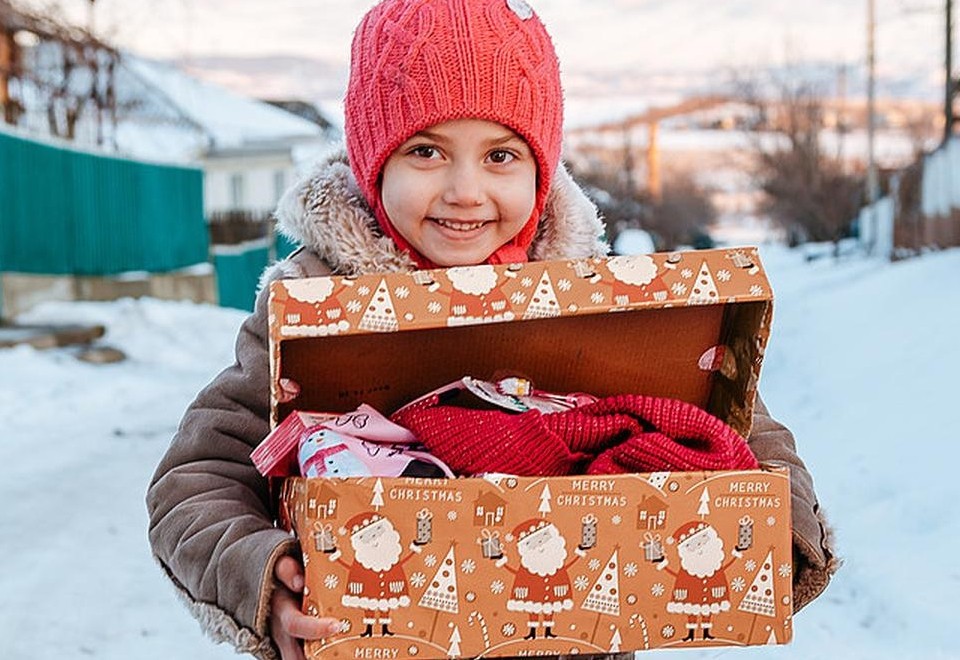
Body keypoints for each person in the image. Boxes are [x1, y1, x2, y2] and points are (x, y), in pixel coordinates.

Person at [145, 1, 838, 659]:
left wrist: (782, 532)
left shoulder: (597, 303)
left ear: (541, 170)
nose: (465, 191)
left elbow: (734, 423)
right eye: (426, 151)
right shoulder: (317, 307)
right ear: (371, 158)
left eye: (500, 156)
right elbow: (195, 477)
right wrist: (265, 579)